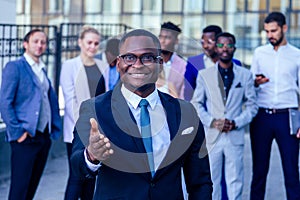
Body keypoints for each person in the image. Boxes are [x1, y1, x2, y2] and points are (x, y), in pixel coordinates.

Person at [70, 29, 213, 199]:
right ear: (118, 63)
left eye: (148, 57)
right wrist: (91, 156)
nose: (138, 64)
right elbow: (77, 166)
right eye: (129, 57)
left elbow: (200, 181)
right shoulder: (95, 109)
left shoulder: (186, 112)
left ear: (160, 64)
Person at [191, 32, 258, 200]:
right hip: (212, 137)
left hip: (234, 136)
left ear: (234, 48)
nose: (225, 49)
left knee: (235, 181)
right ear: (216, 48)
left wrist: (235, 123)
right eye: (220, 45)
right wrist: (212, 122)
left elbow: (252, 105)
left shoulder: (245, 75)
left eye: (228, 45)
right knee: (211, 180)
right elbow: (196, 104)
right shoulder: (204, 75)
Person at [0, 29, 62, 200]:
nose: (40, 45)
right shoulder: (15, 67)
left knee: (31, 188)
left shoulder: (41, 70)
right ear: (25, 44)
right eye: (36, 41)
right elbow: (4, 102)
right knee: (19, 190)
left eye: (43, 42)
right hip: (25, 138)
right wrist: (18, 132)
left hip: (43, 137)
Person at [249, 11, 300, 200]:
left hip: (288, 116)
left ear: (284, 28)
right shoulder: (259, 53)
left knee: (291, 171)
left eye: (274, 31)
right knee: (259, 171)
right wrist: (256, 82)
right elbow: (251, 84)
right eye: (267, 31)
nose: (270, 35)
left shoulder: (297, 55)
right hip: (261, 116)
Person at [60, 25, 107, 200]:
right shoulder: (69, 65)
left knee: (92, 177)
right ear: (80, 42)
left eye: (96, 43)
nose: (92, 46)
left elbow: (104, 97)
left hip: (98, 129)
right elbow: (70, 97)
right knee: (76, 177)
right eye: (89, 42)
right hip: (77, 129)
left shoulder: (102, 66)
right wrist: (85, 126)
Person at [184, 25, 242, 101]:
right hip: (201, 111)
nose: (205, 46)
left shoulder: (236, 64)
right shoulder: (193, 62)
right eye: (202, 42)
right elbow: (188, 93)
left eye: (209, 42)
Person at [158, 21, 187, 99]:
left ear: (176, 41)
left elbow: (183, 95)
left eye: (167, 37)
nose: (162, 41)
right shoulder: (150, 63)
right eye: (160, 37)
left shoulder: (183, 66)